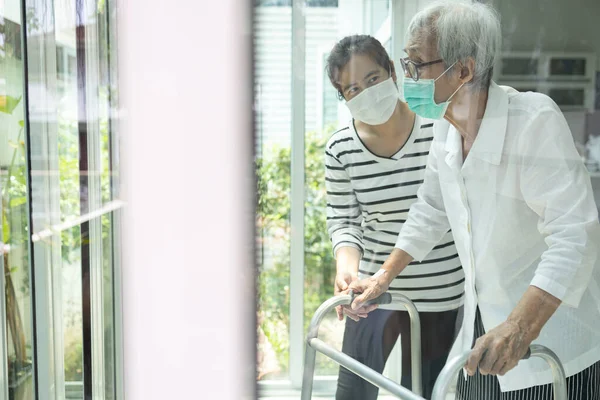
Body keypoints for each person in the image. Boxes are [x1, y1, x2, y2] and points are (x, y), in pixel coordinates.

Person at [348, 2, 600, 399]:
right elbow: (430, 211)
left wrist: (521, 327)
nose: (407, 79)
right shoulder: (445, 130)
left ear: (463, 70)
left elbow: (576, 237)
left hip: (547, 336)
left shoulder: (532, 121)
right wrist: (383, 277)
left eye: (417, 65)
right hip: (483, 325)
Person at [325, 35, 464, 400]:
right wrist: (347, 269)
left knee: (422, 392)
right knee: (353, 391)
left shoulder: (440, 129)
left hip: (439, 291)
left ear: (392, 71)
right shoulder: (341, 148)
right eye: (352, 88)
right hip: (371, 293)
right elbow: (344, 220)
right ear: (343, 97)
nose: (366, 92)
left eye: (372, 79)